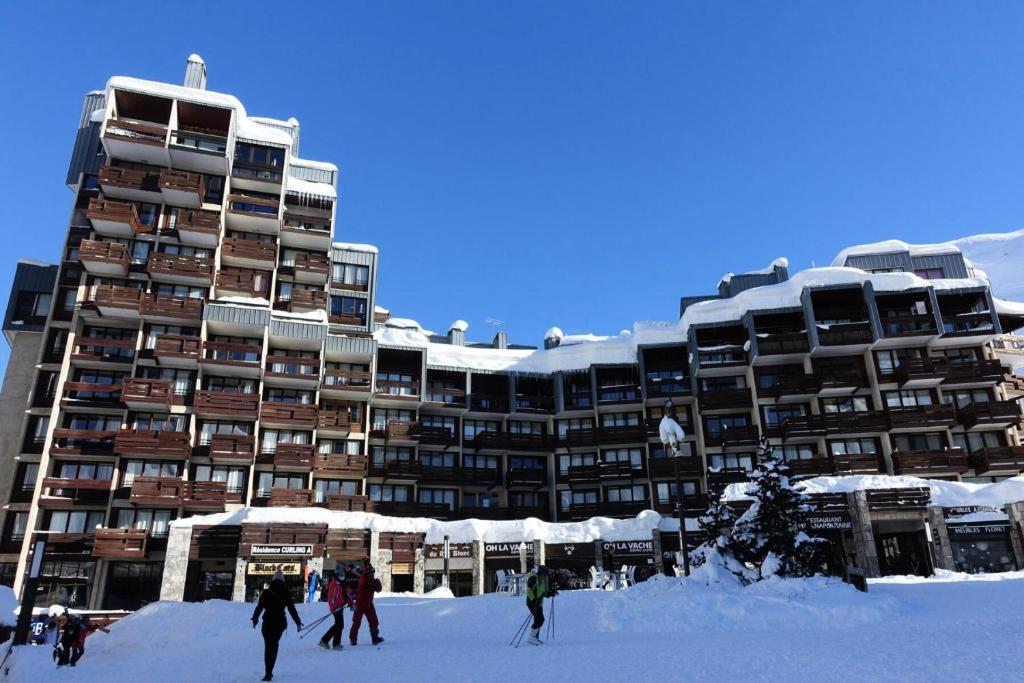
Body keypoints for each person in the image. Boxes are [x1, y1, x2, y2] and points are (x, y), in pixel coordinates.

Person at [252, 571, 303, 682]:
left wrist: (255, 619)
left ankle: (267, 673)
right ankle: (270, 673)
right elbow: (291, 609)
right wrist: (298, 622)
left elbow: (259, 607)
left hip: (267, 623)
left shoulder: (266, 592)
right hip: (279, 623)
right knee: (274, 646)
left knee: (268, 647)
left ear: (273, 580)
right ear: (282, 580)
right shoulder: (285, 592)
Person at [348, 559, 383, 646]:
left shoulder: (363, 575)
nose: (373, 574)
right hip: (361, 603)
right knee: (357, 621)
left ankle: (374, 638)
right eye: (372, 572)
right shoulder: (366, 579)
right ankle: (353, 639)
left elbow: (359, 572)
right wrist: (376, 583)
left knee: (373, 621)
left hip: (367, 603)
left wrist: (352, 569)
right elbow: (378, 588)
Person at [318, 571, 354, 650]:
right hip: (336, 608)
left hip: (340, 607)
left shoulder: (341, 583)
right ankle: (334, 644)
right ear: (337, 575)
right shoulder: (334, 584)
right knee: (340, 625)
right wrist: (334, 607)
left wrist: (351, 604)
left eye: (343, 575)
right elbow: (331, 598)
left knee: (338, 625)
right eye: (341, 575)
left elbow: (346, 595)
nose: (342, 577)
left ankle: (325, 641)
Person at [524, 565, 557, 646]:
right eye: (545, 574)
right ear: (541, 573)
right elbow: (529, 591)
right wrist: (533, 602)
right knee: (540, 619)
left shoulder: (541, 581)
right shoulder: (533, 579)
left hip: (539, 603)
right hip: (532, 603)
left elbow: (543, 593)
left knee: (539, 619)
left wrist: (550, 593)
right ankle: (532, 638)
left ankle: (534, 638)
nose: (545, 576)